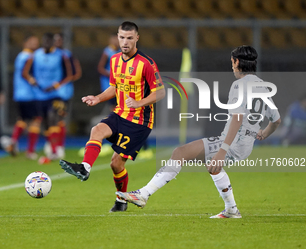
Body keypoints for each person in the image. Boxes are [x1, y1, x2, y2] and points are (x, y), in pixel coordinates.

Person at [117, 45, 281, 218]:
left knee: (180, 152)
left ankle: (143, 194)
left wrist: (222, 150)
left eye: (232, 62)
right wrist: (263, 134)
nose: (232, 66)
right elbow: (276, 120)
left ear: (236, 61)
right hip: (245, 145)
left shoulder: (239, 85)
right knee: (213, 167)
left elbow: (237, 118)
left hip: (233, 142)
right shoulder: (263, 87)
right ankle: (231, 210)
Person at [60, 21, 166, 212]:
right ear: (117, 37)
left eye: (129, 38)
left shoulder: (146, 63)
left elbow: (160, 92)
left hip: (139, 121)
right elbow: (115, 87)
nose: (125, 42)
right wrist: (98, 98)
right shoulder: (115, 60)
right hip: (120, 113)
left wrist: (139, 102)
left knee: (116, 163)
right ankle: (84, 168)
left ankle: (121, 201)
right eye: (122, 37)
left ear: (137, 39)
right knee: (97, 130)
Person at [22, 33, 73, 162]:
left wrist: (56, 85)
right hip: (40, 94)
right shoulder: (35, 55)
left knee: (53, 117)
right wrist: (31, 79)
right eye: (44, 41)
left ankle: (55, 150)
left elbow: (70, 74)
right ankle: (52, 147)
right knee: (45, 123)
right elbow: (25, 72)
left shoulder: (61, 56)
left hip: (55, 94)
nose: (46, 44)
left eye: (49, 42)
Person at [44, 33, 82, 159]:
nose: (57, 42)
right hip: (47, 92)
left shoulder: (66, 55)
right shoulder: (47, 55)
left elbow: (75, 74)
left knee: (57, 118)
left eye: (60, 40)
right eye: (55, 40)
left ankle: (58, 146)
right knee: (50, 118)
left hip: (63, 92)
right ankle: (53, 144)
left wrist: (59, 84)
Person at [6, 35, 41, 159]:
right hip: (29, 94)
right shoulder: (29, 57)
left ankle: (13, 142)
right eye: (32, 42)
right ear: (25, 43)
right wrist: (35, 82)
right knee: (36, 120)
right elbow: (25, 74)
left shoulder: (20, 56)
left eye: (36, 42)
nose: (35, 45)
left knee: (22, 119)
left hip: (19, 94)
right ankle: (30, 151)